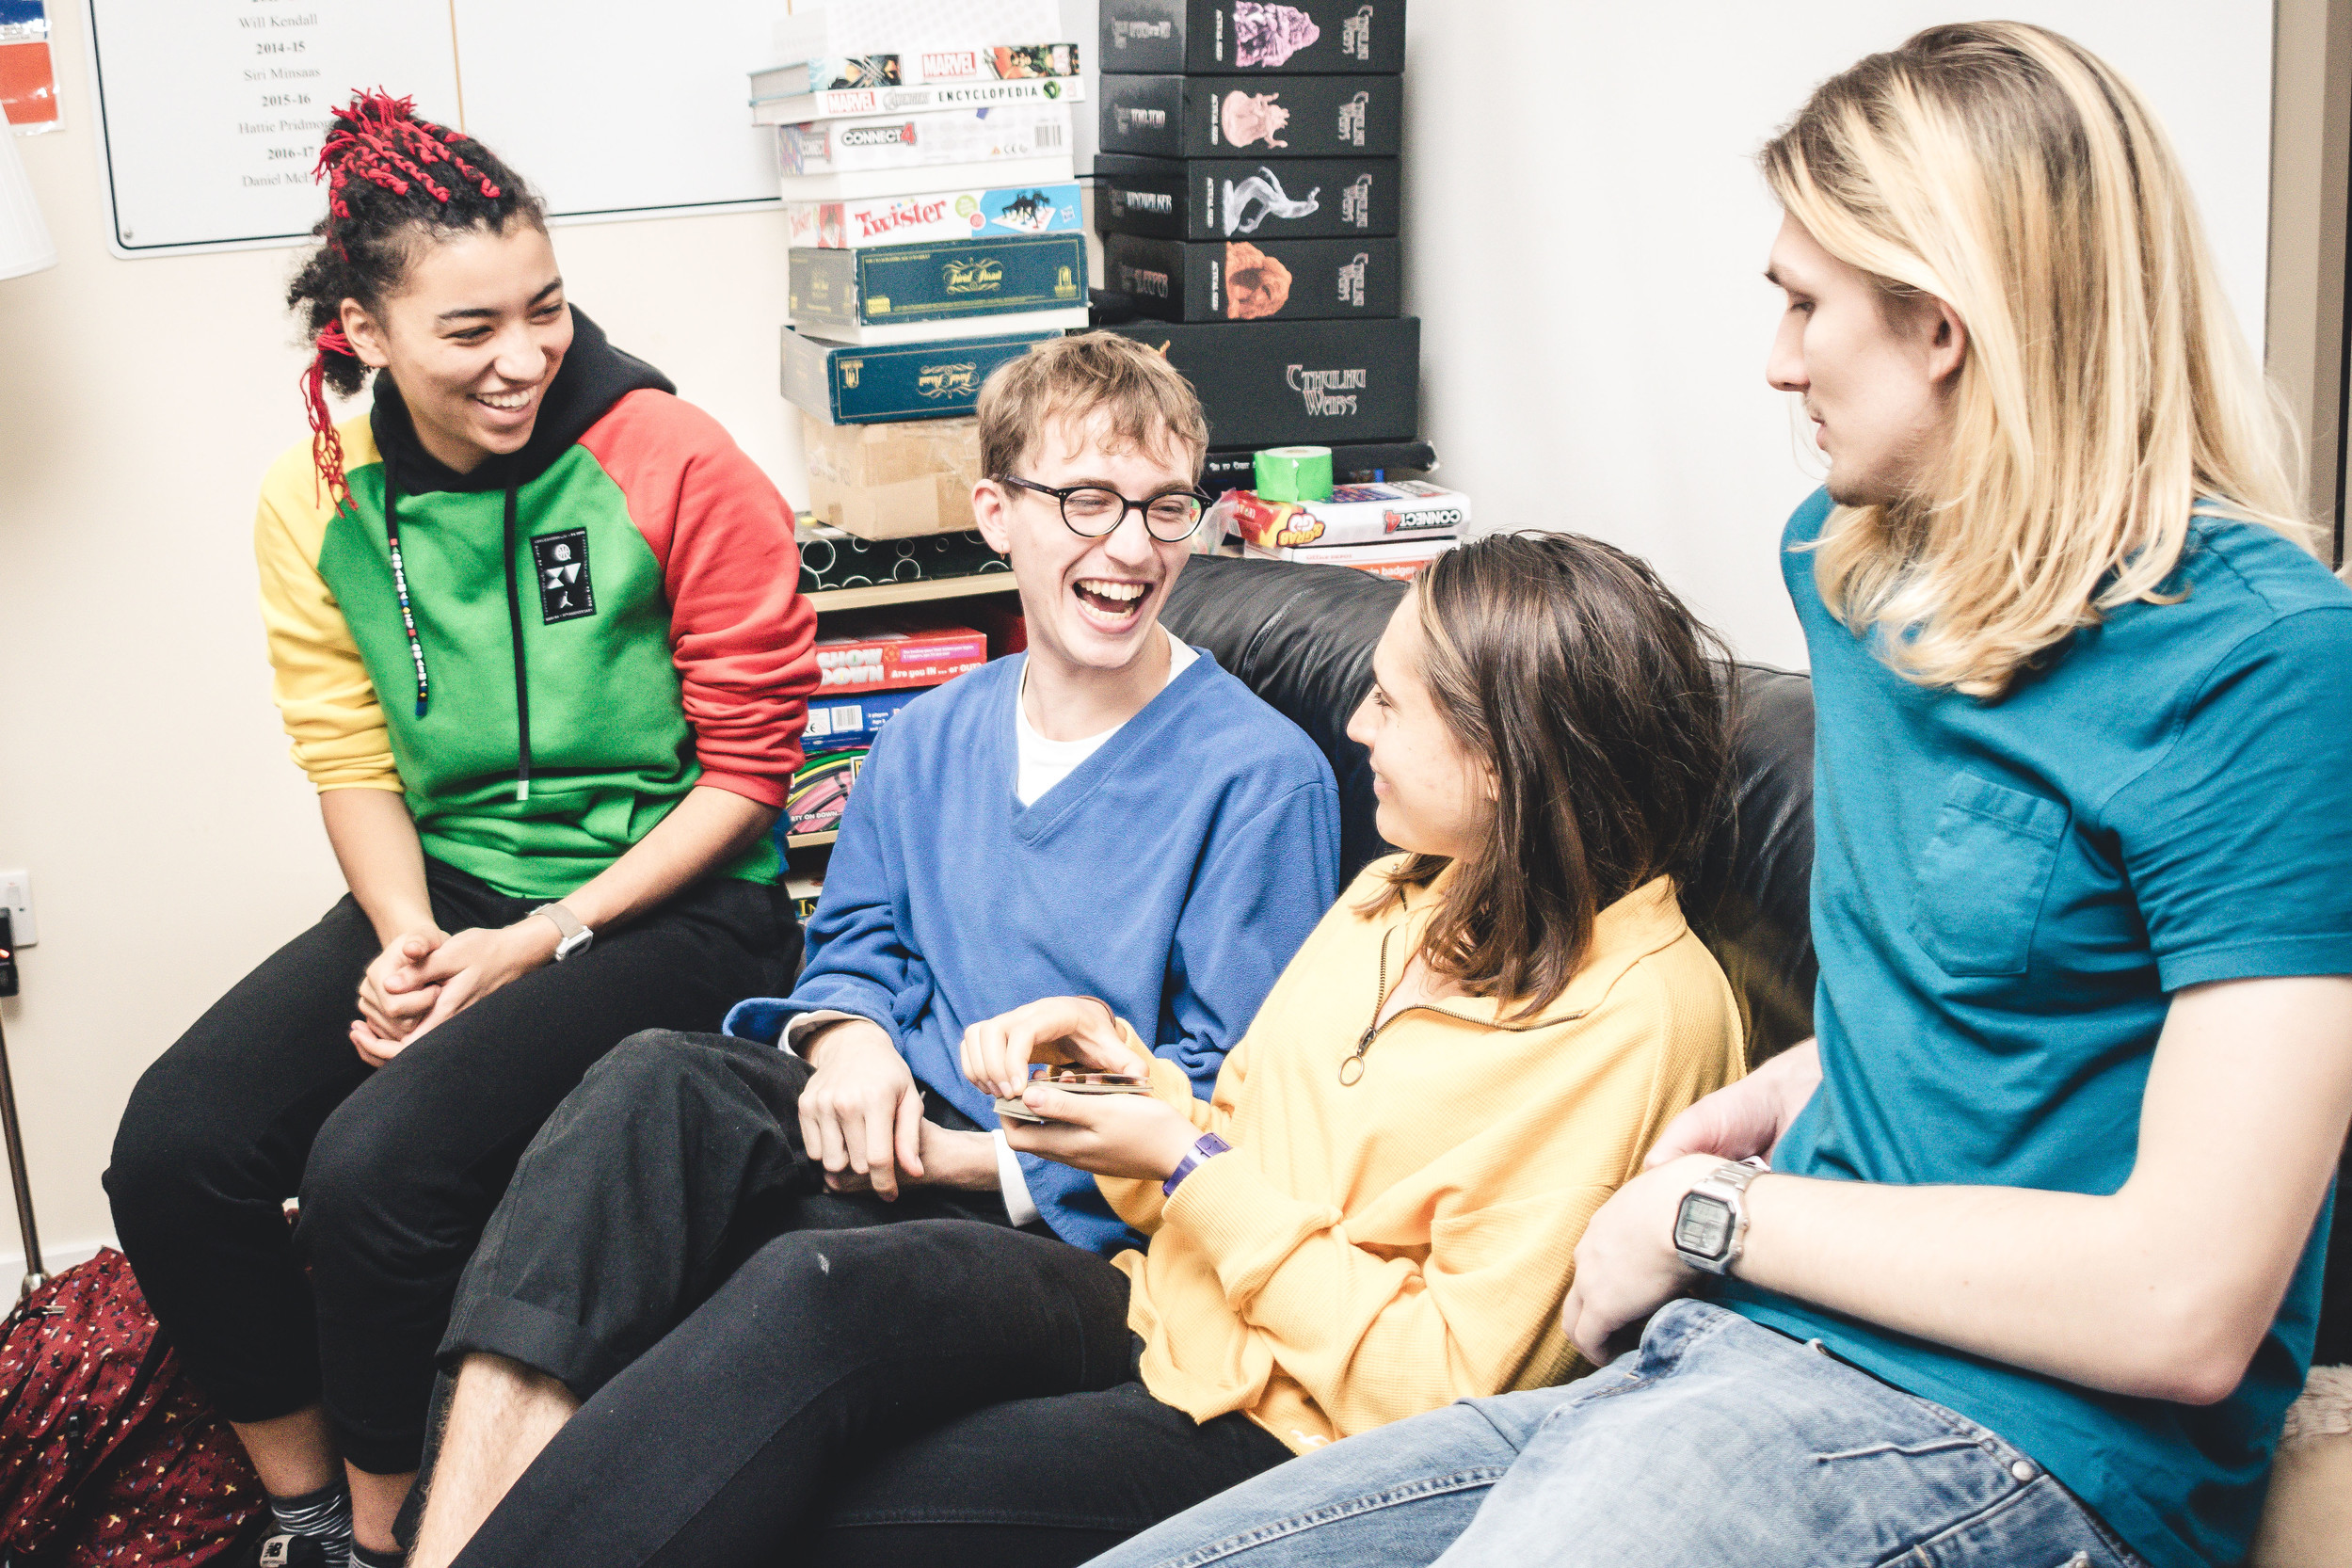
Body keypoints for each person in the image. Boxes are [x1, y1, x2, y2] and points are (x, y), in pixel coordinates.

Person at [1080, 24, 2352, 1568]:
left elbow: (2188, 1301)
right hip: (1756, 1348)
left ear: (1943, 325)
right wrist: (1761, 1107)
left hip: (2031, 1443)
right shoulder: (1854, 562)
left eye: (1808, 306)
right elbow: (1999, 1002)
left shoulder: (2273, 663)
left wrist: (1708, 1216)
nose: (1778, 357)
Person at [409, 531, 1746, 1568]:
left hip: (1279, 1428)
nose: (1356, 727)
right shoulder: (1413, 889)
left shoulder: (1646, 1017)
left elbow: (1442, 1385)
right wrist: (1127, 1079)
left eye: (1393, 707)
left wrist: (1186, 1152)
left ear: (1508, 756)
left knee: (804, 1502)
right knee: (811, 1285)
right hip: (1163, 1300)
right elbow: (1236, 1121)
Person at [400, 331, 1348, 1564]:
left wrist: (966, 1155)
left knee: (812, 1279)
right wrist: (850, 1042)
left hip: (1082, 1243)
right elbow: (854, 937)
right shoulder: (932, 729)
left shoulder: (1260, 780)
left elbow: (1233, 1101)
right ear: (995, 513)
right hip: (888, 1134)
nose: (1131, 547)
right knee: (650, 1082)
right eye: (1090, 502)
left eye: (1167, 507)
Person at [101, 89, 813, 1568]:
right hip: (451, 886)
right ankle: (298, 1509)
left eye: (544, 311)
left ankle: (385, 1535)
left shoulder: (674, 455)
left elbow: (748, 774)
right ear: (363, 331)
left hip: (675, 908)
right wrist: (413, 936)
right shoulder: (316, 496)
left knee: (376, 1169)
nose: (524, 358)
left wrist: (541, 940)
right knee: (175, 1149)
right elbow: (349, 748)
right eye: (469, 329)